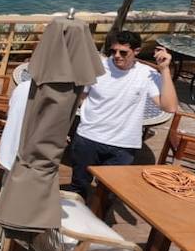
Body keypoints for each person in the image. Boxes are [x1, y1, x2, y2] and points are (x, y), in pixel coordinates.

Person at [67, 29, 177, 198]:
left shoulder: (146, 75)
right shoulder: (96, 68)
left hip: (123, 145)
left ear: (136, 51)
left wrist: (165, 70)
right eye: (113, 51)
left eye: (123, 52)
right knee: (78, 188)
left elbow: (169, 107)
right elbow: (78, 99)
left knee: (108, 195)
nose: (117, 56)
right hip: (88, 138)